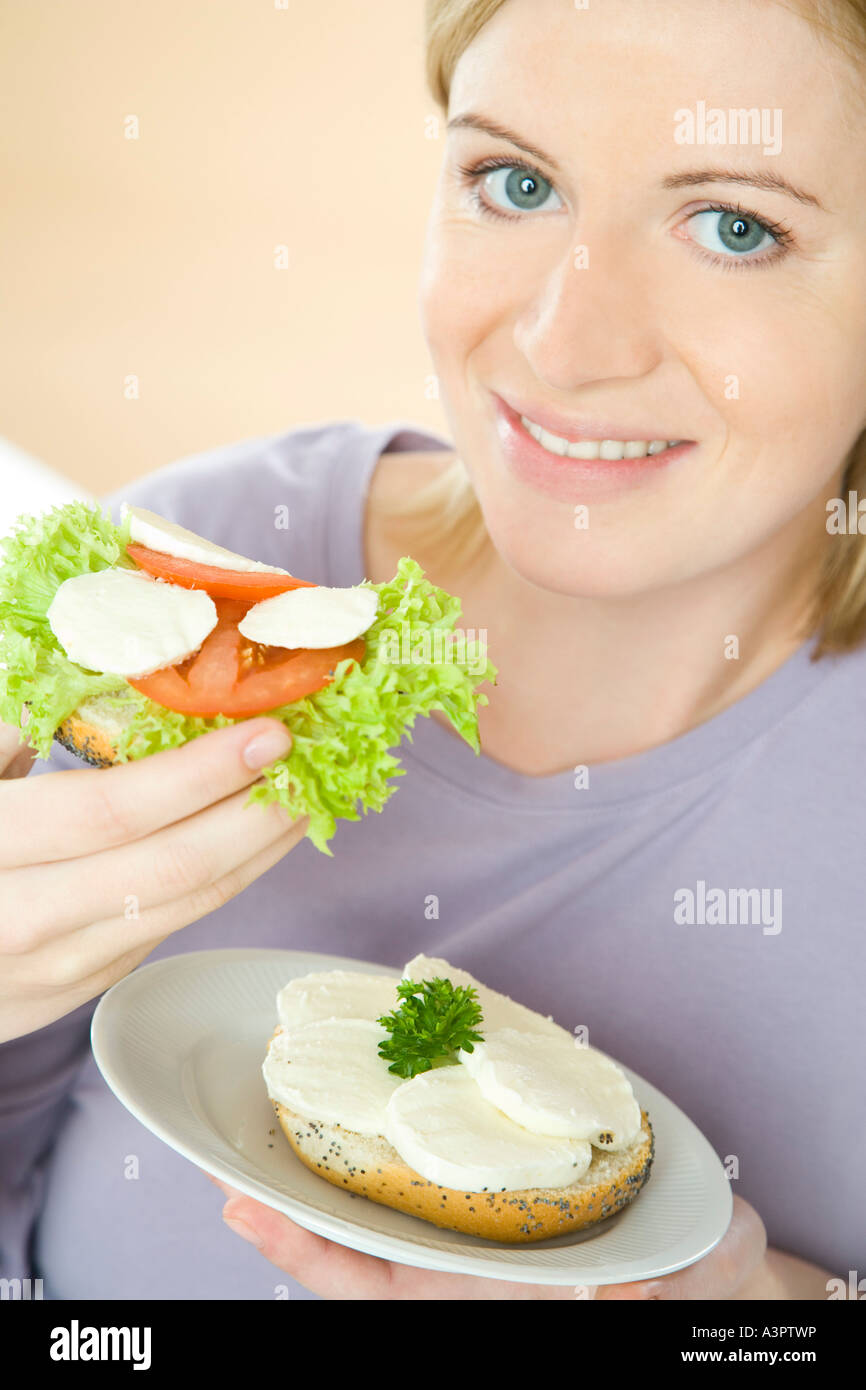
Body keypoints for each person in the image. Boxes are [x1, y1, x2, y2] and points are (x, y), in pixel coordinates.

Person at [1, 0, 864, 1300]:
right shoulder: (204, 579)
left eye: (735, 226)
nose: (561, 344)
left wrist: (752, 1319)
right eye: (511, 181)